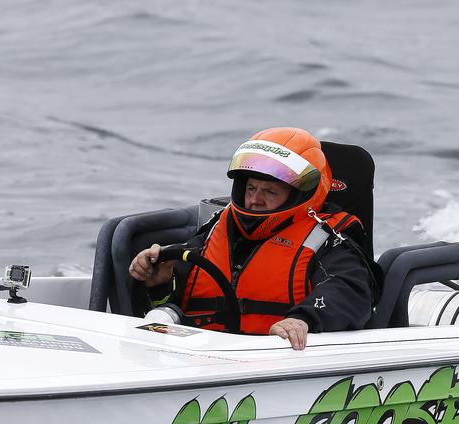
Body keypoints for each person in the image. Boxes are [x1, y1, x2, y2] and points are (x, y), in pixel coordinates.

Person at [128, 127, 376, 350]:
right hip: (202, 359)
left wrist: (303, 319)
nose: (255, 200)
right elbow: (178, 295)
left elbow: (348, 291)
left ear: (298, 196)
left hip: (275, 363)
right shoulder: (218, 227)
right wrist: (159, 281)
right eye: (251, 189)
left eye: (269, 191)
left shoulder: (330, 241)